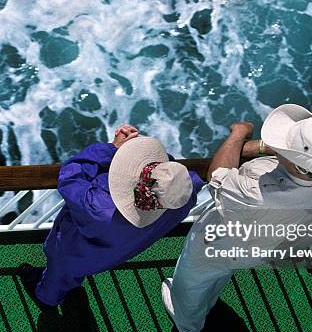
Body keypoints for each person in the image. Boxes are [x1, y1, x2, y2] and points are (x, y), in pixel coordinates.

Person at [161, 104, 312, 332]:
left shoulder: (258, 193)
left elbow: (216, 175)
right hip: (263, 247)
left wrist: (239, 133)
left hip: (219, 245)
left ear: (295, 162)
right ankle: (210, 301)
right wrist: (269, 149)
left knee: (191, 283)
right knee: (222, 272)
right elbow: (298, 168)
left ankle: (188, 325)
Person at [18, 125, 204, 307]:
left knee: (60, 275)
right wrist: (161, 174)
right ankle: (67, 287)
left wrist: (113, 148)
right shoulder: (182, 196)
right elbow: (176, 179)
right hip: (115, 254)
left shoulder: (99, 207)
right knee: (77, 271)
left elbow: (71, 176)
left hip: (72, 253)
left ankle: (47, 297)